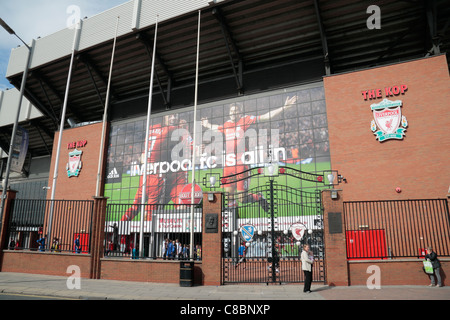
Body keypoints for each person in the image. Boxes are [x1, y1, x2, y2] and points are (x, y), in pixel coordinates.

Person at [201, 96, 297, 212]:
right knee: (228, 197)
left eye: (235, 111)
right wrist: (206, 125)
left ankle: (258, 197)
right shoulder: (226, 124)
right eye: (231, 111)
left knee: (242, 198)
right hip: (228, 166)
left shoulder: (245, 120)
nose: (233, 113)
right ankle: (232, 223)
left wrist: (284, 107)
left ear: (240, 112)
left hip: (242, 165)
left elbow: (266, 117)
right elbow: (216, 128)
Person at [120, 115, 191, 222]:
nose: (173, 117)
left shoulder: (152, 128)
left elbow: (143, 157)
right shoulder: (174, 129)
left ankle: (120, 227)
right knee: (156, 211)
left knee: (137, 206)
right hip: (161, 176)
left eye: (175, 115)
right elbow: (191, 149)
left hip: (147, 174)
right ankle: (152, 234)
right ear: (165, 117)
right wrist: (184, 128)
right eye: (171, 115)